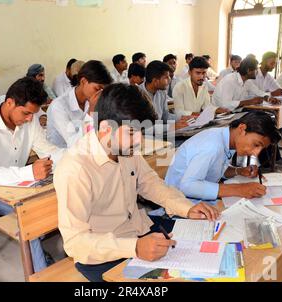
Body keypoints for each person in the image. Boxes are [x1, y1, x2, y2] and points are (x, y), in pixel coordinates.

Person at [55, 83, 220, 282]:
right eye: (132, 133)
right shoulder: (75, 168)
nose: (139, 141)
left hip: (139, 231)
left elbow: (151, 184)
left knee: (206, 250)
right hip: (104, 253)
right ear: (106, 128)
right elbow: (75, 243)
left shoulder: (126, 149)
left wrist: (186, 208)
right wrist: (133, 247)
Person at [0, 77, 62, 272]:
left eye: (32, 114)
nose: (29, 119)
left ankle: (57, 252)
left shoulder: (29, 119)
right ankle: (40, 272)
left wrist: (74, 158)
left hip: (19, 188)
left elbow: (48, 151)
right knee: (30, 217)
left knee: (61, 200)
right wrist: (29, 172)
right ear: (10, 102)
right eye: (25, 113)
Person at [165, 111, 281, 202]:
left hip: (193, 199)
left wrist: (238, 171)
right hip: (178, 203)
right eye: (256, 145)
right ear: (242, 129)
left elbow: (215, 170)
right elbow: (188, 186)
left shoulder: (227, 139)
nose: (256, 153)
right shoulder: (212, 146)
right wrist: (240, 189)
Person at [47, 60, 112, 148]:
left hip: (87, 152)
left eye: (102, 91)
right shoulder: (58, 106)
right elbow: (73, 144)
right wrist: (91, 112)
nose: (99, 94)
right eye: (97, 89)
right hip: (63, 155)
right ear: (83, 81)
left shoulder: (91, 100)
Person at [212, 57, 280, 111]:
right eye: (256, 69)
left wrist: (268, 98)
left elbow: (258, 92)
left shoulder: (247, 81)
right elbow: (225, 104)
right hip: (221, 114)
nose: (257, 72)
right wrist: (249, 101)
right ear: (248, 70)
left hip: (236, 112)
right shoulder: (230, 80)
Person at [139, 61, 189, 132]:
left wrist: (183, 118)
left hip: (159, 133)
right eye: (166, 77)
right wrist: (172, 127)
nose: (169, 79)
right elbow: (144, 128)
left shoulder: (161, 92)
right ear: (155, 81)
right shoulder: (137, 95)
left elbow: (165, 116)